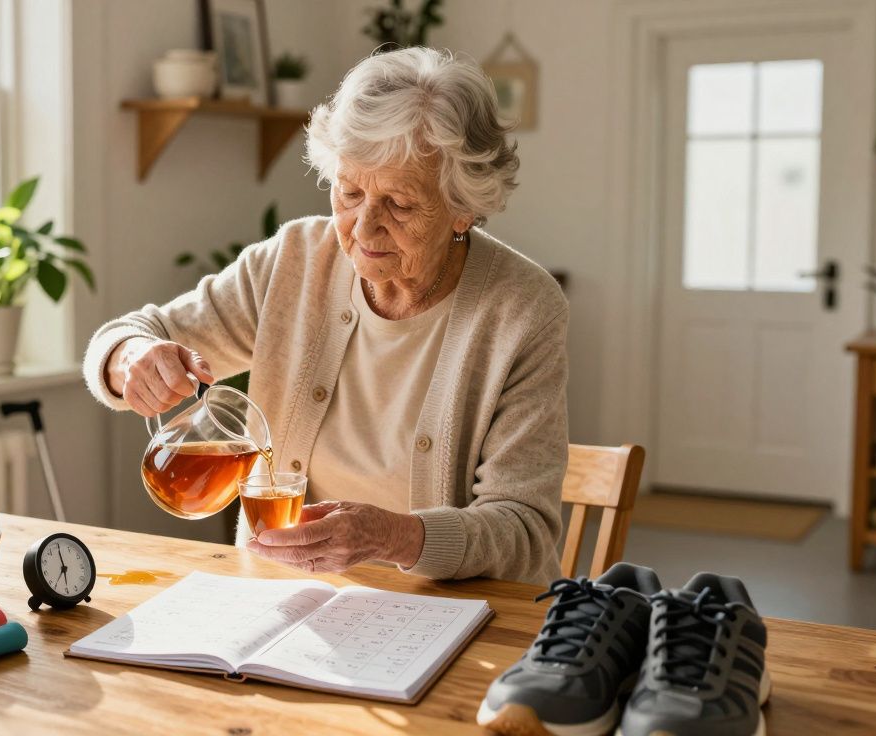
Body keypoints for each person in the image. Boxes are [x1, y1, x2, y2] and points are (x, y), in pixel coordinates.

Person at [83, 47, 567, 585]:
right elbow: (134, 333)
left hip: (456, 612)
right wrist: (131, 359)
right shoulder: (296, 260)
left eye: (400, 204)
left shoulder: (523, 308)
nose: (363, 226)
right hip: (290, 599)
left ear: (463, 208)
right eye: (349, 191)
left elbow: (524, 530)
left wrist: (395, 537)